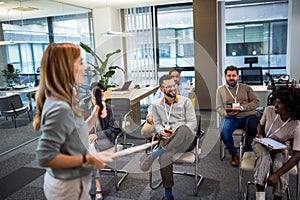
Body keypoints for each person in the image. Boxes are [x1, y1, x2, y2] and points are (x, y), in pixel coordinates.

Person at [34, 43, 113, 199]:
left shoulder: (65, 100)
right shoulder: (60, 107)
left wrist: (94, 116)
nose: (85, 68)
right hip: (66, 187)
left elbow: (74, 132)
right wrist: (89, 158)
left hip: (73, 182)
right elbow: (45, 157)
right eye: (81, 62)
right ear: (67, 68)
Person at [139, 74, 197, 200]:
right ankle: (168, 195)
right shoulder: (156, 105)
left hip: (186, 139)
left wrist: (175, 131)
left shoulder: (185, 101)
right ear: (161, 89)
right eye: (168, 86)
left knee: (183, 129)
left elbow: (193, 123)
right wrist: (162, 131)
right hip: (167, 140)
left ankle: (154, 154)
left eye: (173, 85)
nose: (172, 88)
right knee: (165, 157)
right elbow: (158, 123)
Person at [252, 86, 300, 200]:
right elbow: (261, 125)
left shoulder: (296, 126)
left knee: (279, 166)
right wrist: (260, 135)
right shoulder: (269, 110)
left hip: (280, 146)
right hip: (262, 142)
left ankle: (278, 196)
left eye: (279, 103)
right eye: (276, 101)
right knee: (264, 157)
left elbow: (298, 154)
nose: (275, 105)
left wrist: (277, 173)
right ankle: (260, 193)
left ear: (289, 108)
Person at [216, 65, 259, 167]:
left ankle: (247, 151)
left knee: (254, 129)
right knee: (223, 131)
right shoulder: (220, 90)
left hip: (247, 116)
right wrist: (226, 113)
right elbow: (219, 107)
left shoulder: (246, 88)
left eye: (233, 76)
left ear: (238, 77)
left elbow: (256, 102)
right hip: (231, 117)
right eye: (229, 75)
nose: (231, 78)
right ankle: (234, 154)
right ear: (225, 77)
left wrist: (243, 108)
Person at [141, 68, 189, 139]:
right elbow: (152, 105)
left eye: (177, 76)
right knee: (145, 131)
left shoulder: (184, 92)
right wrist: (150, 115)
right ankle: (160, 140)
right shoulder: (161, 90)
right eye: (173, 77)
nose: (175, 79)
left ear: (180, 78)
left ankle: (167, 142)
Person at [89, 83, 116, 200]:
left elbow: (111, 129)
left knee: (92, 149)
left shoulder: (108, 108)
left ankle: (98, 185)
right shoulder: (86, 108)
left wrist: (97, 135)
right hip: (88, 140)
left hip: (106, 140)